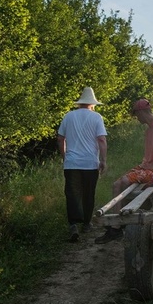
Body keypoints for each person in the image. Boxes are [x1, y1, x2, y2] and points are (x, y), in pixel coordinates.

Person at [95, 98, 153, 244]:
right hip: (149, 167)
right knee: (116, 184)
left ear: (141, 112)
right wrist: (146, 164)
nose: (136, 117)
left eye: (136, 114)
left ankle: (117, 226)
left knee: (125, 182)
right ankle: (117, 225)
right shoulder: (150, 129)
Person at [57, 86, 108, 242]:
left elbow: (60, 138)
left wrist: (65, 156)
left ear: (79, 103)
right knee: (88, 193)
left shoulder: (68, 116)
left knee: (72, 194)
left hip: (72, 163)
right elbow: (101, 140)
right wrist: (103, 160)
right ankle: (86, 223)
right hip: (90, 163)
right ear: (92, 104)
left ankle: (73, 225)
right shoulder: (97, 117)